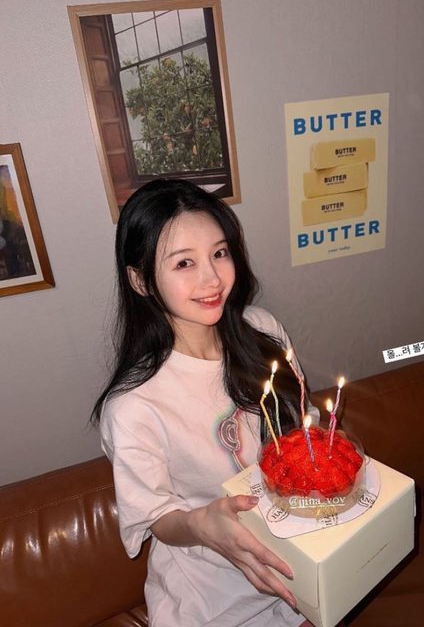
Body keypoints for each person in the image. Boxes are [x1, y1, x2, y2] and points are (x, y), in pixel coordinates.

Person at [91, 179, 320, 627]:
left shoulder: (263, 331)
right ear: (140, 280)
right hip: (213, 598)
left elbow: (301, 427)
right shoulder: (134, 406)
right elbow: (155, 515)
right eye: (184, 262)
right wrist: (201, 524)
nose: (213, 279)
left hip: (301, 560)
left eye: (219, 253)